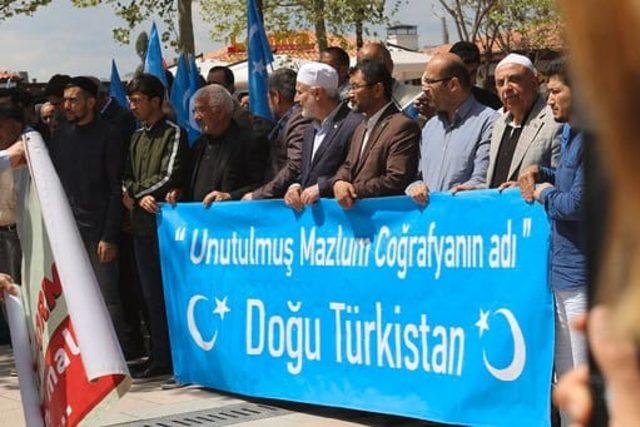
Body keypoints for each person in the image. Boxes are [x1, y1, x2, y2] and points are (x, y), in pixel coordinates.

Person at [516, 59, 585, 425]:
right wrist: (541, 171)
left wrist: (543, 192)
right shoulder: (569, 133)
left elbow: (576, 204)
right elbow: (566, 179)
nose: (550, 99)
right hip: (561, 270)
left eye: (556, 91)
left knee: (585, 371)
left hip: (585, 274)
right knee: (567, 372)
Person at [48, 76, 129, 352]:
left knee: (108, 296)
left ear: (91, 102)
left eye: (74, 100)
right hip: (67, 231)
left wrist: (109, 235)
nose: (67, 106)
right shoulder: (60, 136)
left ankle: (118, 352)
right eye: (65, 100)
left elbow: (114, 189)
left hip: (98, 231)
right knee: (74, 296)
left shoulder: (109, 135)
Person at [123, 74, 190, 379]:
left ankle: (173, 355)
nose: (133, 106)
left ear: (155, 101)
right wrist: (130, 191)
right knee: (149, 296)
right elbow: (126, 175)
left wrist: (137, 193)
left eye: (137, 100)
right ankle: (158, 354)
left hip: (165, 227)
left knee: (168, 294)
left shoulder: (174, 133)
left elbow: (169, 174)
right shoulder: (136, 136)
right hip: (140, 227)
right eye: (130, 100)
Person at [405, 54, 498, 205]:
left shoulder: (489, 122)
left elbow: (482, 181)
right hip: (431, 223)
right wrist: (415, 187)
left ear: (453, 84)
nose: (424, 90)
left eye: (430, 82)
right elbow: (418, 177)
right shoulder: (430, 127)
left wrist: (466, 191)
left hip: (466, 221)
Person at [332, 59, 420, 209]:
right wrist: (339, 182)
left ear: (378, 90)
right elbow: (349, 165)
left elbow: (396, 179)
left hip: (385, 220)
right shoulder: (361, 126)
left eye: (355, 87)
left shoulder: (402, 126)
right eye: (349, 87)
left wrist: (353, 190)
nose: (350, 94)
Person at [283, 62, 363, 210]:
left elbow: (354, 172)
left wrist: (322, 188)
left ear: (317, 93)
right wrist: (295, 187)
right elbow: (306, 174)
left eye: (300, 92)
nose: (296, 99)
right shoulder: (309, 130)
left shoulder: (355, 125)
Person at [483, 53, 562, 189]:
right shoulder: (498, 124)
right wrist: (476, 191)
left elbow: (564, 180)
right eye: (500, 83)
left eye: (514, 80)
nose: (506, 88)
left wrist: (527, 187)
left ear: (535, 82)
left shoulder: (556, 121)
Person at [189, 84, 265, 204]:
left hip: (232, 220)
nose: (196, 117)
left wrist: (230, 196)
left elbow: (261, 185)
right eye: (194, 111)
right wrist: (178, 192)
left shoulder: (250, 142)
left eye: (201, 110)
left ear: (220, 112)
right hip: (197, 221)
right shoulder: (198, 145)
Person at [243, 69, 311, 200]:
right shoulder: (287, 121)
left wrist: (259, 194)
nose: (268, 103)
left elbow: (295, 166)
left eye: (268, 97)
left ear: (276, 96)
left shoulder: (298, 122)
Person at [357, 41, 422, 111]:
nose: (367, 68)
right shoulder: (355, 102)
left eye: (370, 63)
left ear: (390, 64)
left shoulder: (414, 100)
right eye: (361, 64)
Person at [449, 41, 502, 110]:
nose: (467, 80)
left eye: (472, 73)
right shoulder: (439, 104)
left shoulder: (491, 102)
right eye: (463, 74)